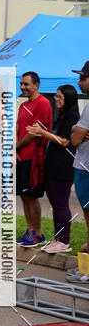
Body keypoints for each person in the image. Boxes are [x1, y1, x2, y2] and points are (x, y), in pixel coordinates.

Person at [26, 84, 79, 254]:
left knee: (61, 204)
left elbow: (64, 141)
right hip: (53, 165)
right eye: (56, 96)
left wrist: (43, 132)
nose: (56, 99)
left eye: (60, 97)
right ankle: (58, 239)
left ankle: (64, 241)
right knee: (55, 204)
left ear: (68, 99)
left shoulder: (73, 117)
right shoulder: (62, 116)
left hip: (63, 167)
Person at [15, 71, 52, 247]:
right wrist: (14, 150)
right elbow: (17, 128)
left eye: (26, 84)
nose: (22, 87)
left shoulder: (43, 104)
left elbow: (34, 133)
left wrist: (17, 146)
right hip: (21, 156)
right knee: (23, 195)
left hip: (34, 157)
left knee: (32, 196)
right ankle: (29, 230)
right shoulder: (23, 105)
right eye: (21, 84)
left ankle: (38, 233)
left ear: (36, 85)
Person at [66, 63, 89, 283]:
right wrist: (77, 130)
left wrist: (76, 130)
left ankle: (87, 271)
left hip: (86, 169)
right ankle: (85, 267)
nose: (79, 82)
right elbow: (78, 132)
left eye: (83, 78)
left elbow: (75, 139)